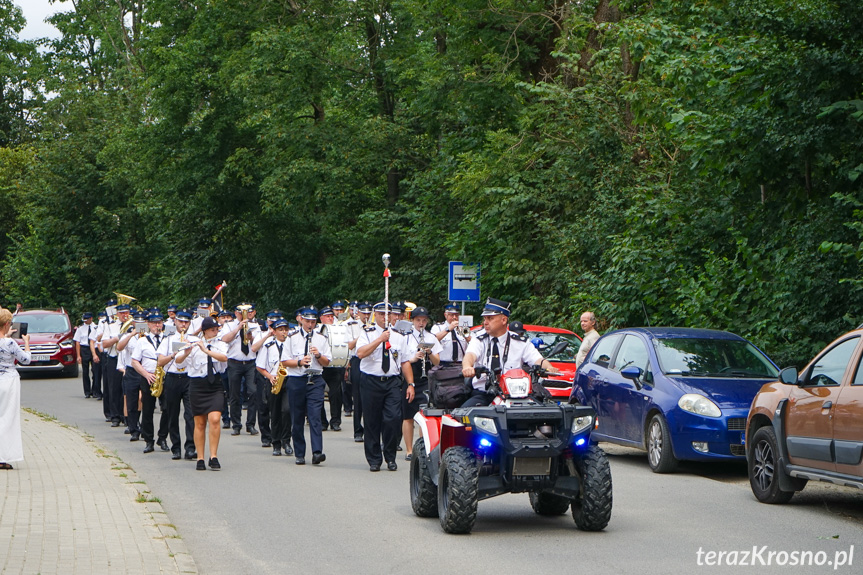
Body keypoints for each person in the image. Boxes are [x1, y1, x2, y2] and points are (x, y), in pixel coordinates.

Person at [355, 301, 415, 472]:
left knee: (393, 419)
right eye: (381, 314)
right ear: (375, 315)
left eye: (388, 314)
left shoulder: (399, 336)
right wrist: (379, 340)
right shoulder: (367, 333)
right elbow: (360, 353)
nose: (385, 317)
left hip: (392, 381)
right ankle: (374, 459)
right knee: (372, 421)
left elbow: (404, 362)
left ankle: (390, 456)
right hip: (371, 381)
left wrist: (410, 384)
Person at [461, 298, 553, 407]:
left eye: (490, 318)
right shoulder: (478, 339)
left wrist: (549, 367)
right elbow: (470, 355)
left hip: (515, 394)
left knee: (540, 415)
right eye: (485, 318)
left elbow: (537, 359)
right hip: (484, 393)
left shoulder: (520, 342)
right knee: (464, 416)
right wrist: (467, 367)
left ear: (504, 320)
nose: (485, 322)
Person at [176, 316, 228, 470]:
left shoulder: (220, 344)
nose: (216, 331)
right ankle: (200, 458)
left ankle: (213, 456)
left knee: (215, 419)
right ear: (205, 331)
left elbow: (224, 358)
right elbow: (178, 361)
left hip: (215, 384)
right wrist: (186, 352)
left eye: (217, 329)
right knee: (199, 423)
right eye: (213, 329)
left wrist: (206, 350)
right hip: (197, 385)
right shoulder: (193, 343)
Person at [284, 306, 330, 465]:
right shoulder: (291, 337)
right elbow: (284, 361)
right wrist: (298, 362)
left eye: (313, 321)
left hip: (315, 379)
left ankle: (317, 452)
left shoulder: (321, 338)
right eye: (307, 321)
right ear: (301, 320)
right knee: (297, 418)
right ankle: (300, 453)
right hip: (297, 380)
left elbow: (327, 362)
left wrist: (318, 355)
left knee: (315, 416)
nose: (310, 324)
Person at [156, 309, 197, 460]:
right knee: (172, 414)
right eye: (181, 322)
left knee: (190, 414)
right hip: (172, 377)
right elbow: (160, 362)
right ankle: (176, 447)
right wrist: (173, 354)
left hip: (189, 378)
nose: (183, 325)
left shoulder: (193, 339)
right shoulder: (167, 339)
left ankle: (190, 448)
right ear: (175, 322)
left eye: (186, 322)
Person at [401, 307, 441, 461]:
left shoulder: (431, 337)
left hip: (426, 380)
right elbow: (402, 361)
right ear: (413, 321)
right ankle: (409, 450)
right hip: (410, 377)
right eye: (418, 320)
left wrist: (429, 352)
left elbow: (438, 362)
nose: (421, 323)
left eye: (424, 320)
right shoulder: (406, 338)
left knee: (424, 415)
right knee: (408, 415)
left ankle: (422, 448)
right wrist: (414, 357)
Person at [222, 303, 261, 436]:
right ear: (236, 313)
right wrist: (238, 328)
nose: (244, 314)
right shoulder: (228, 325)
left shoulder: (256, 326)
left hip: (250, 362)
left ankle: (250, 424)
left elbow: (258, 345)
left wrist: (251, 337)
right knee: (234, 394)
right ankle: (236, 424)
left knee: (253, 392)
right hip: (234, 362)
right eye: (241, 312)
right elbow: (224, 339)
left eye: (247, 312)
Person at [255, 318, 292, 457]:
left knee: (287, 411)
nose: (284, 333)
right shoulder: (268, 345)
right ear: (274, 332)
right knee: (275, 413)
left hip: (289, 380)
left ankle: (287, 441)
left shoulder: (291, 344)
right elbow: (259, 366)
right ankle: (276, 443)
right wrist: (270, 377)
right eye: (281, 330)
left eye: (286, 330)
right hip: (274, 381)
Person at [131, 312, 166, 453]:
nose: (157, 326)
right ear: (148, 325)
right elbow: (134, 361)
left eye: (159, 323)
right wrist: (146, 374)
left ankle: (162, 437)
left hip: (164, 377)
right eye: (154, 323)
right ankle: (149, 440)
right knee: (147, 411)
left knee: (168, 409)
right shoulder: (142, 341)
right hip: (148, 377)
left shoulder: (168, 339)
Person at [0, 307, 30, 470]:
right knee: (7, 418)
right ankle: (3, 455)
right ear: (6, 324)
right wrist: (26, 343)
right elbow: (25, 360)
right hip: (8, 381)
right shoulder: (10, 343)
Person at [317, 306, 343, 432]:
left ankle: (336, 421)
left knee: (336, 393)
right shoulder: (317, 330)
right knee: (318, 394)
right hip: (320, 366)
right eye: (328, 316)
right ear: (321, 318)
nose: (331, 318)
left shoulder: (338, 329)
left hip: (334, 365)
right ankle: (322, 421)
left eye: (332, 316)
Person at [73, 312, 96, 398]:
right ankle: (87, 391)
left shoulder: (96, 327)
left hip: (93, 348)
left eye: (87, 320)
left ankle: (95, 390)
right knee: (85, 371)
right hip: (84, 349)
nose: (85, 321)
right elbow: (77, 342)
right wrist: (79, 355)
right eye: (84, 320)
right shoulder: (80, 328)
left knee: (95, 371)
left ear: (91, 318)